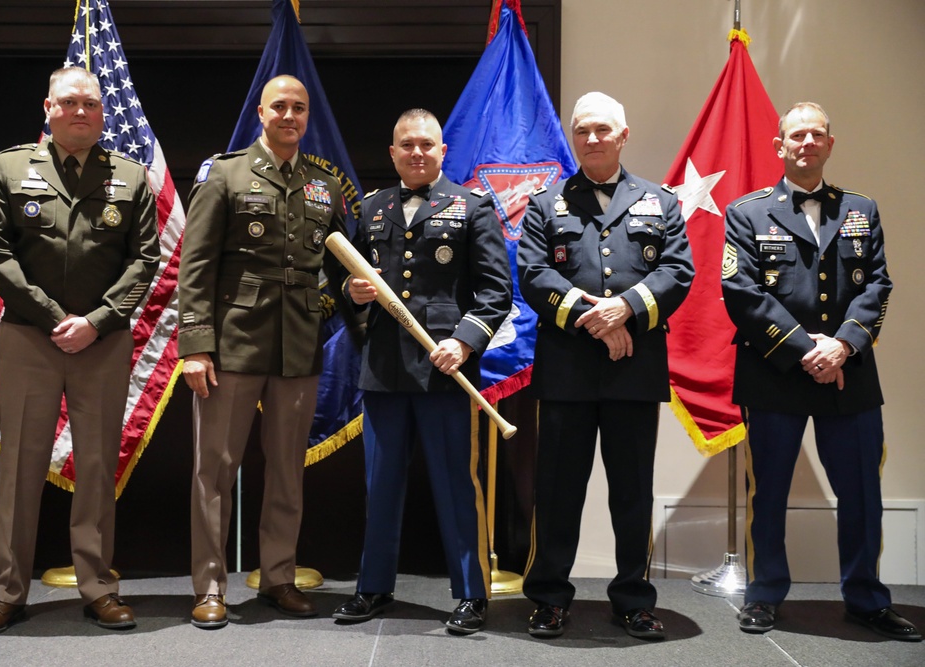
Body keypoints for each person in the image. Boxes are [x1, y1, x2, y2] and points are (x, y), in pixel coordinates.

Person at [0, 67, 160, 636]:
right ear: (47, 108)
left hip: (102, 340)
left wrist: (96, 321)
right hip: (31, 335)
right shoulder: (9, 166)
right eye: (70, 102)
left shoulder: (129, 176)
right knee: (20, 466)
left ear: (104, 114)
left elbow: (145, 260)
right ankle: (7, 593)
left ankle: (99, 587)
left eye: (92, 105)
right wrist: (55, 318)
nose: (82, 112)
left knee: (99, 466)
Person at [722, 102, 920, 641]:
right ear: (779, 146)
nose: (806, 142)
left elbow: (877, 286)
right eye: (796, 135)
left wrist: (843, 348)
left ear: (830, 143)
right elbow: (741, 293)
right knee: (769, 491)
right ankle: (764, 594)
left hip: (849, 372)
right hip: (775, 369)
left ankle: (865, 598)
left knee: (861, 491)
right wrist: (807, 349)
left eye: (816, 134)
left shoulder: (862, 208)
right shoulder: (747, 212)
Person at [517, 92, 693, 640]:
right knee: (558, 490)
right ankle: (549, 597)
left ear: (623, 135)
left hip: (633, 370)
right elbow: (533, 273)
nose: (590, 139)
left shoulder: (660, 202)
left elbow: (678, 270)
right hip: (568, 369)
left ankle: (633, 600)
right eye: (581, 131)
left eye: (601, 130)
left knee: (633, 491)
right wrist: (594, 318)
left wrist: (627, 310)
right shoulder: (547, 203)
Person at [331, 109, 512, 634]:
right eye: (406, 145)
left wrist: (464, 341)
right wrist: (353, 293)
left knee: (456, 483)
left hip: (444, 370)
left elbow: (495, 291)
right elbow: (348, 287)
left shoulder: (472, 206)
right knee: (380, 482)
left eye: (426, 145)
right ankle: (373, 587)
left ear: (442, 151)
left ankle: (471, 595)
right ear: (392, 153)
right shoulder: (371, 208)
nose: (416, 153)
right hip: (384, 370)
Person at [178, 74, 347, 629]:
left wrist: (336, 302)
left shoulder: (324, 184)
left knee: (286, 474)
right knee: (215, 471)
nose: (290, 116)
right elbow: (196, 265)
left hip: (297, 347)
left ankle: (278, 577)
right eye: (281, 106)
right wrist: (196, 346)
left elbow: (343, 264)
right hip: (232, 345)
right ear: (260, 111)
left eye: (299, 108)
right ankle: (209, 586)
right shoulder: (224, 174)